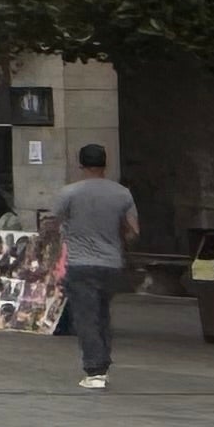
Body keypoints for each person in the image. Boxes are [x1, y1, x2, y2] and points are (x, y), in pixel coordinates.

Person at [54, 142, 140, 391]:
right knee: (102, 314)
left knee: (86, 316)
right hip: (112, 263)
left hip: (81, 263)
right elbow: (133, 231)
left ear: (80, 165)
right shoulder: (123, 193)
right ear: (105, 164)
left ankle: (95, 370)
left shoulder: (69, 193)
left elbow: (53, 224)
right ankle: (103, 362)